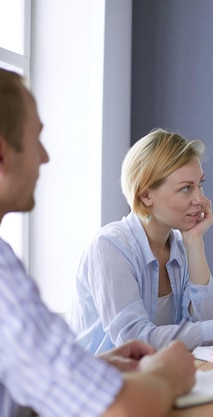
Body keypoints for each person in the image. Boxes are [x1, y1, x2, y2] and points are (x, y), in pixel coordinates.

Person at [0, 68, 196, 416]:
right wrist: (166, 376)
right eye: (36, 141)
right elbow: (119, 410)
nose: (45, 157)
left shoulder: (178, 246)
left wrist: (97, 369)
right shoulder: (5, 273)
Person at [66, 128, 213, 354]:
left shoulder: (178, 247)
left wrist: (194, 243)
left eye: (200, 185)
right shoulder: (109, 247)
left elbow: (211, 328)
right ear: (146, 195)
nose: (201, 199)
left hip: (153, 382)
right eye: (185, 189)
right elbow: (135, 341)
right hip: (100, 390)